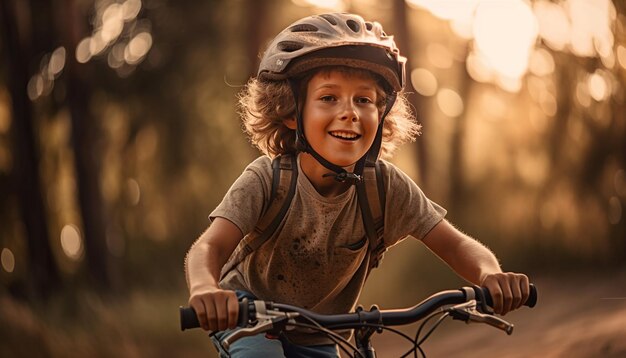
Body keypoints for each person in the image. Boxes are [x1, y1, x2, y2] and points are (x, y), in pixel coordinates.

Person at [185, 12, 531, 357]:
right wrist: (205, 289)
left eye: (363, 100)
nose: (349, 112)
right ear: (291, 112)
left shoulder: (384, 188)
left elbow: (455, 245)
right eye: (328, 98)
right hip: (249, 314)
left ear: (381, 114)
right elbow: (209, 248)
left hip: (321, 333)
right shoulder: (268, 180)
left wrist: (490, 275)